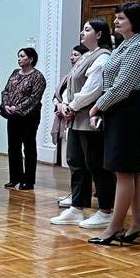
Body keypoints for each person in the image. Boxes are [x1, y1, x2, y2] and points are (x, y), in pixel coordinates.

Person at [88, 2, 140, 245]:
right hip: (121, 108)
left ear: (134, 21)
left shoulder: (138, 47)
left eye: (121, 18)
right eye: (116, 17)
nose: (115, 21)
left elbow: (122, 86)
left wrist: (97, 106)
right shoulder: (125, 45)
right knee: (131, 170)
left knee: (124, 170)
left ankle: (114, 227)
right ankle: (139, 224)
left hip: (128, 109)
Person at [51, 18, 115, 228]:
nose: (81, 33)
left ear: (99, 34)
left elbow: (92, 89)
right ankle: (77, 208)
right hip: (76, 120)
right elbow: (69, 84)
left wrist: (71, 106)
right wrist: (64, 104)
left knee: (96, 166)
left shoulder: (103, 57)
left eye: (87, 29)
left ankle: (105, 211)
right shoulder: (86, 56)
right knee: (76, 163)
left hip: (90, 121)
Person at [0, 47, 46, 191]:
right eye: (18, 56)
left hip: (29, 117)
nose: (19, 59)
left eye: (22, 56)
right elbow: (6, 91)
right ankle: (15, 178)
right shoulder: (15, 73)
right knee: (13, 147)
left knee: (29, 147)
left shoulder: (38, 77)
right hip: (13, 116)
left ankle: (28, 180)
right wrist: (6, 105)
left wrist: (17, 107)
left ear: (30, 59)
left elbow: (34, 98)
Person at [53, 43, 90, 204]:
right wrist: (59, 105)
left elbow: (83, 95)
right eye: (72, 55)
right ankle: (74, 194)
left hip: (80, 119)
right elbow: (58, 95)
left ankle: (80, 197)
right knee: (71, 161)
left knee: (81, 163)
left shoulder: (83, 75)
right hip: (66, 120)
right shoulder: (68, 75)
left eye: (76, 55)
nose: (72, 58)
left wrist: (69, 108)